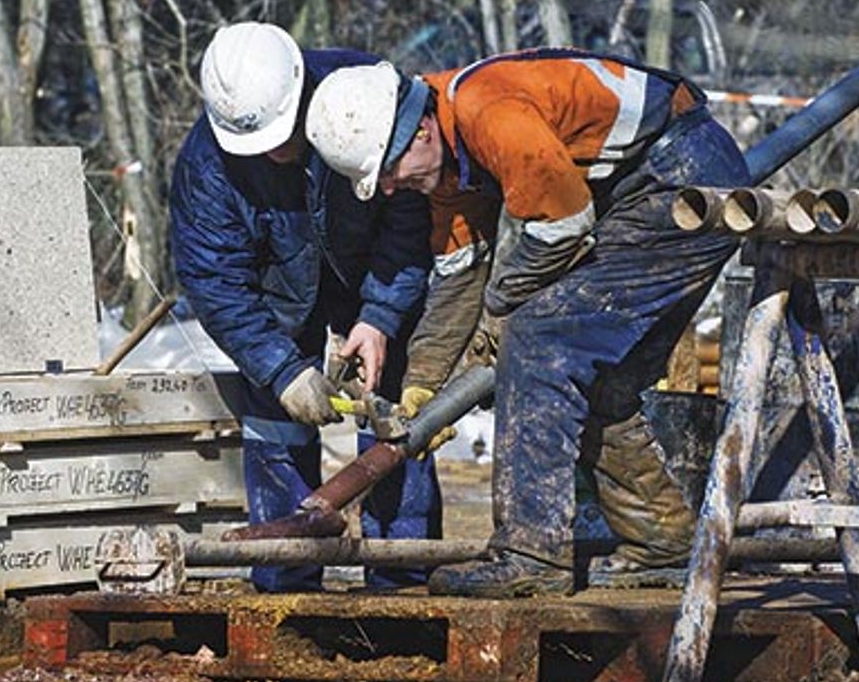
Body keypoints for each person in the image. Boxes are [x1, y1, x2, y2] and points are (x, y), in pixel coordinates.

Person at [306, 50, 754, 596]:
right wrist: (425, 383)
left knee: (540, 342)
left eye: (389, 173)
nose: (392, 190)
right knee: (600, 378)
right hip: (647, 187)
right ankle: (665, 543)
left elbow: (563, 226)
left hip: (681, 182)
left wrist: (501, 313)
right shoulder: (447, 161)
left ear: (419, 130)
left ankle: (530, 552)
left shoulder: (488, 113)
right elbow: (460, 275)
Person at [168, 22, 439, 592]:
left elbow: (410, 217)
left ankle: (402, 574)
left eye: (281, 135)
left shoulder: (364, 96)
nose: (272, 151)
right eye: (258, 144)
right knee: (275, 417)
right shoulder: (206, 168)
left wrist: (381, 316)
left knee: (393, 405)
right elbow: (215, 281)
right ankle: (286, 581)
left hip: (374, 269)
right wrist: (279, 366)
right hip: (278, 299)